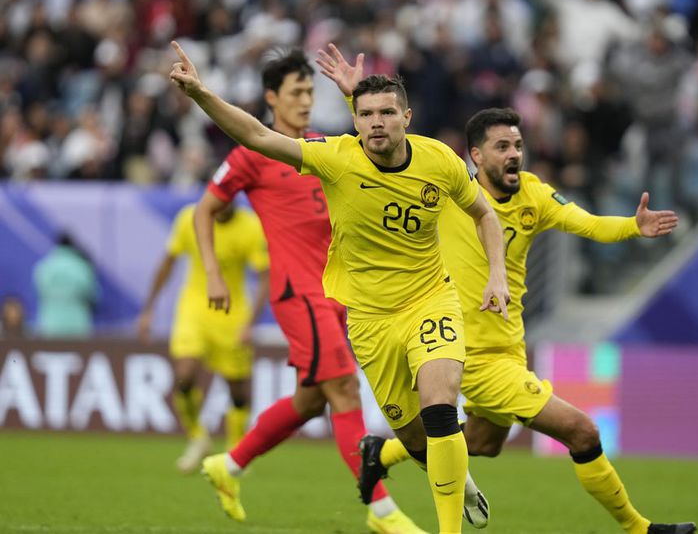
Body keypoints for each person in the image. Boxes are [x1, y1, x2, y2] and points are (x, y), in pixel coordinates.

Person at [169, 40, 510, 534]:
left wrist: (496, 273)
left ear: (407, 117)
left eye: (387, 113)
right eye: (366, 114)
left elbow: (484, 213)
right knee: (410, 433)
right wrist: (201, 94)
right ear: (355, 119)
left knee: (434, 400)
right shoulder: (332, 156)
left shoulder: (440, 160)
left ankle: (405, 517)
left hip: (429, 298)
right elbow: (253, 135)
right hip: (363, 315)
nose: (376, 121)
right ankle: (233, 463)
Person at [357, 108, 698, 534]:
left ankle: (381, 453)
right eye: (502, 147)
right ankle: (640, 528)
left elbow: (587, 224)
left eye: (518, 145)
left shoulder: (534, 196)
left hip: (509, 347)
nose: (514, 154)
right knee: (582, 431)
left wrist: (632, 226)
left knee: (483, 443)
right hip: (470, 353)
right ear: (476, 156)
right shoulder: (448, 192)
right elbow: (390, 150)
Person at [191, 48, 425, 534]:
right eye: (295, 92)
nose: (303, 101)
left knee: (313, 400)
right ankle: (382, 511)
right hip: (299, 293)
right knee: (342, 388)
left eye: (308, 92)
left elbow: (376, 145)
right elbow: (204, 211)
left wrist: (352, 95)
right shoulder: (251, 153)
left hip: (341, 295)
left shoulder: (322, 145)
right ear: (271, 97)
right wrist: (213, 271)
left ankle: (228, 465)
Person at [137, 202, 268, 474]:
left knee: (238, 390)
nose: (221, 206)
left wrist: (250, 322)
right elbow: (168, 262)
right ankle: (198, 436)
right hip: (194, 309)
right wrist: (148, 308)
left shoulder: (251, 226)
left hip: (233, 315)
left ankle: (236, 448)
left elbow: (265, 277)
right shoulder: (189, 218)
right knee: (184, 374)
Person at [33, 232, 98, 338]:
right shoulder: (81, 267)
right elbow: (93, 296)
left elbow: (40, 293)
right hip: (77, 327)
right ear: (72, 245)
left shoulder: (44, 267)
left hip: (50, 325)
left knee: (51, 354)